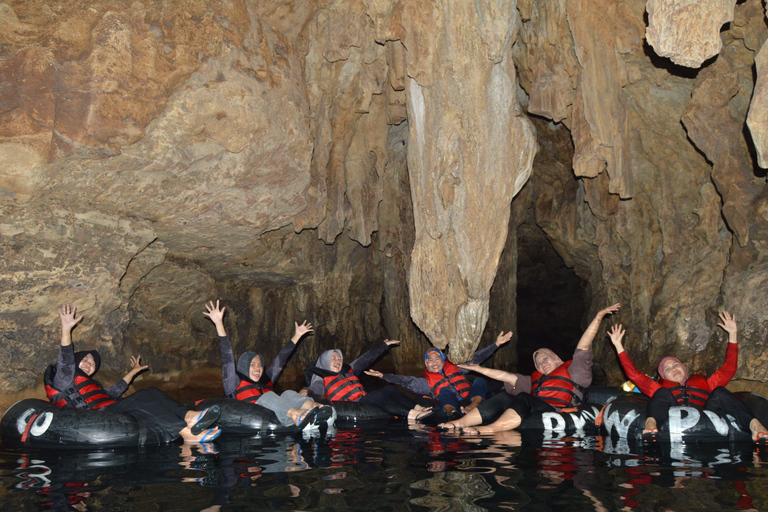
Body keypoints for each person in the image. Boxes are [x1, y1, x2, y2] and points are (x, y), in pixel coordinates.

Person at [45, 304, 221, 443]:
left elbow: (116, 390)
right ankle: (185, 432)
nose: (89, 364)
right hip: (95, 416)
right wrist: (66, 330)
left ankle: (189, 416)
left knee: (152, 392)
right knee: (143, 397)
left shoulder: (94, 386)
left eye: (92, 364)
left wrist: (134, 372)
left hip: (112, 409)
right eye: (85, 360)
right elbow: (66, 359)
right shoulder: (65, 379)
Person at [437, 303, 621, 434]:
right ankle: (459, 422)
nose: (542, 364)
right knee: (503, 396)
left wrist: (598, 317)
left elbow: (584, 345)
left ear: (557, 359)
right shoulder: (535, 380)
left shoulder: (575, 371)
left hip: (561, 411)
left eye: (545, 359)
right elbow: (506, 376)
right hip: (538, 409)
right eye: (538, 363)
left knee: (524, 398)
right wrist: (477, 368)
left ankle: (491, 428)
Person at [606, 311, 768, 441]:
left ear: (684, 369)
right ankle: (651, 423)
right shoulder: (659, 387)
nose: (673, 368)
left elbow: (729, 369)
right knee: (660, 393)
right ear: (663, 376)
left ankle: (755, 425)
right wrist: (619, 345)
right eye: (668, 369)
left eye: (676, 364)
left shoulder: (705, 383)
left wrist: (733, 334)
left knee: (719, 391)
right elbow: (634, 375)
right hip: (670, 414)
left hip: (706, 414)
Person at [203, 300, 333, 431]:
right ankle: (297, 415)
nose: (257, 368)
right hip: (253, 417)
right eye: (252, 364)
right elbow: (228, 358)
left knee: (287, 393)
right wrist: (219, 323)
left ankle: (318, 408)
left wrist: (297, 335)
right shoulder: (234, 382)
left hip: (278, 415)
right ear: (244, 366)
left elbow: (281, 359)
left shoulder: (267, 380)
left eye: (260, 365)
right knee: (269, 396)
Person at [365, 331, 513, 416]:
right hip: (449, 401)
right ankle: (450, 413)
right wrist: (384, 376)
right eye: (430, 360)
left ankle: (474, 405)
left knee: (480, 381)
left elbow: (477, 358)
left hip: (469, 397)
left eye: (437, 359)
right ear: (426, 364)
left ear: (443, 360)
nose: (434, 362)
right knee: (443, 390)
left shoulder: (457, 367)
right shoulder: (425, 382)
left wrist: (496, 344)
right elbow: (405, 381)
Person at [304, 341, 432, 422]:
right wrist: (305, 391)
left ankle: (418, 407)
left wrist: (384, 346)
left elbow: (365, 359)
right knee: (375, 395)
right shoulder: (321, 377)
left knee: (388, 389)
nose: (338, 361)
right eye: (333, 358)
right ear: (325, 361)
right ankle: (409, 414)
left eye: (339, 358)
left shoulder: (348, 371)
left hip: (364, 400)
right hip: (351, 405)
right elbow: (314, 389)